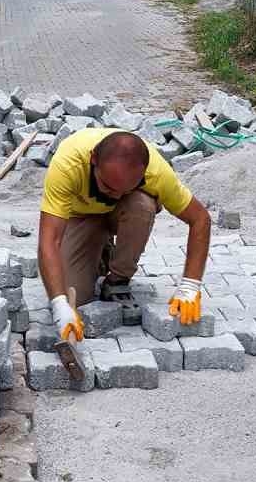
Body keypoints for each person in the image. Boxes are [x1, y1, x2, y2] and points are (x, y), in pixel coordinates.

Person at [37, 128, 212, 351]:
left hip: (124, 214)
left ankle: (117, 280)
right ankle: (99, 246)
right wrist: (59, 304)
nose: (116, 196)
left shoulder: (156, 172)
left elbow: (200, 219)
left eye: (125, 190)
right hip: (81, 217)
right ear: (93, 161)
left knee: (141, 205)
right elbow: (49, 240)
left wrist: (190, 286)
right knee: (75, 296)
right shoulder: (68, 164)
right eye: (109, 187)